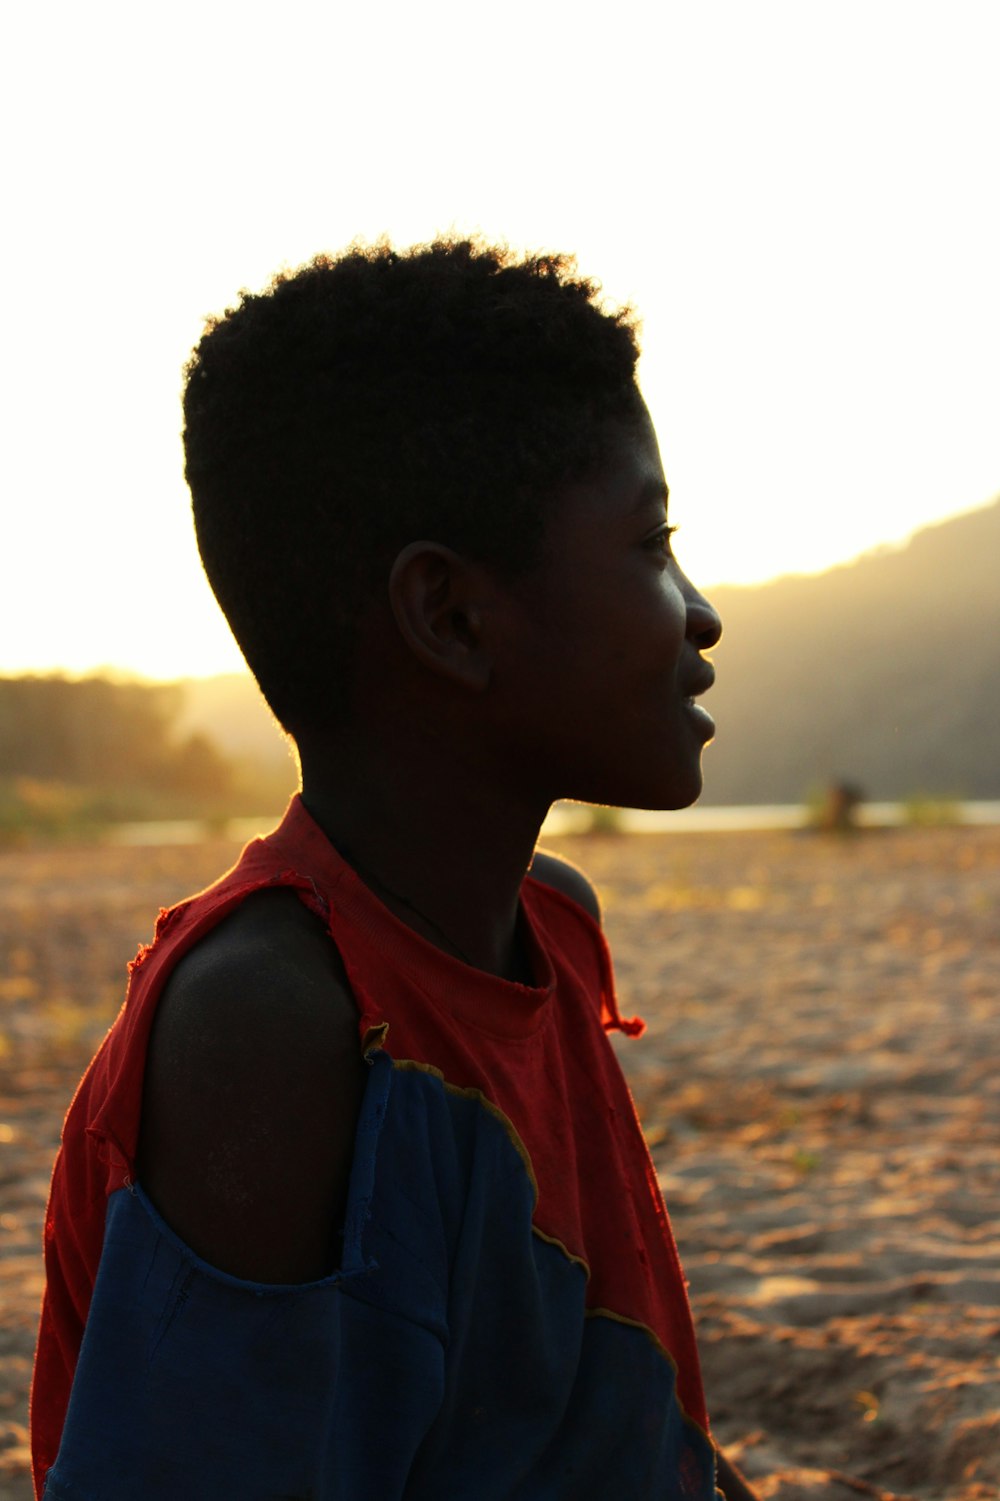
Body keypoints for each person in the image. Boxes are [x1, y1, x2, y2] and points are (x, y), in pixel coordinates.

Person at [31, 239, 758, 1499]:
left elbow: (607, 1431)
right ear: (453, 618)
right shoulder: (272, 1026)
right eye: (652, 542)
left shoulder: (547, 926)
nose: (698, 611)